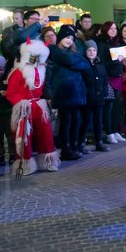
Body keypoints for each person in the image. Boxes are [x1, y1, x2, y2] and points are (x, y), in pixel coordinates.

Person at [7, 38, 60, 176]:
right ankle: (25, 164)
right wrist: (21, 103)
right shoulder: (17, 73)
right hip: (24, 107)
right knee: (24, 136)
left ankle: (48, 161)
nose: (35, 60)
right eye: (33, 56)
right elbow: (11, 93)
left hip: (38, 106)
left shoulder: (40, 71)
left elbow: (42, 88)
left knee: (46, 134)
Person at [47, 25, 90, 160]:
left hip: (76, 91)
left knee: (76, 119)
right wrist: (77, 61)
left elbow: (86, 65)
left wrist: (76, 62)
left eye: (71, 38)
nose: (69, 40)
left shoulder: (73, 52)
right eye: (67, 37)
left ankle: (74, 145)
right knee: (66, 120)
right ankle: (66, 148)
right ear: (60, 37)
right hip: (64, 91)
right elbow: (71, 60)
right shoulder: (54, 50)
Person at [81, 40, 109, 152]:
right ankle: (81, 143)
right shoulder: (83, 65)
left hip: (99, 98)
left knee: (98, 121)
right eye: (89, 50)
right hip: (87, 98)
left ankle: (99, 142)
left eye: (94, 50)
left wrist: (105, 92)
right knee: (85, 122)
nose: (92, 52)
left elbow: (105, 80)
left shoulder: (100, 65)